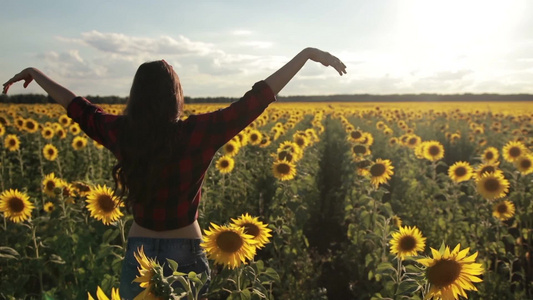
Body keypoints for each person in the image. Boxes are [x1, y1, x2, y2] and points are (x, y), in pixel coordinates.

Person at [3, 47, 347, 299]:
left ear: (136, 96)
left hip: (139, 249)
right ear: (176, 96)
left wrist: (36, 71)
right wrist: (304, 56)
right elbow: (255, 100)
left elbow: (79, 108)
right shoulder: (197, 133)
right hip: (186, 248)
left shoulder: (122, 132)